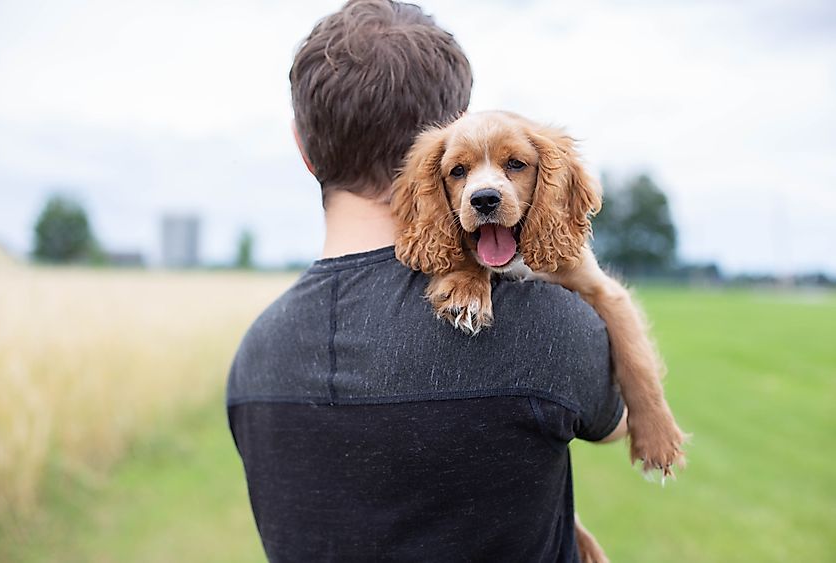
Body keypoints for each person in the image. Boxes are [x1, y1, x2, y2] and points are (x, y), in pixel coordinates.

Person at [226, 1, 626, 561]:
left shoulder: (254, 357)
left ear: (304, 149)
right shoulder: (544, 323)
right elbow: (617, 424)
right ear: (458, 130)